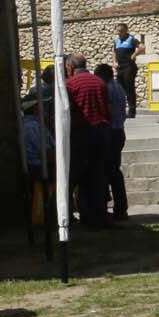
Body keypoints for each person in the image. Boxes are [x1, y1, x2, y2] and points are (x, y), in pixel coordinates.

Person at [64, 55, 112, 228]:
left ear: (70, 66)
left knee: (78, 177)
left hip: (82, 134)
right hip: (102, 132)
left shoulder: (70, 84)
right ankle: (99, 215)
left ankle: (81, 215)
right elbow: (107, 109)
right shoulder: (99, 82)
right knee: (98, 176)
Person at [94, 62, 129, 222]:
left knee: (108, 171)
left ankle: (114, 207)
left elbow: (107, 110)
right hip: (119, 131)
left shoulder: (106, 89)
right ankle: (120, 207)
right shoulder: (119, 88)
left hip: (111, 132)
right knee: (114, 170)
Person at [113, 23, 143, 119]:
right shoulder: (116, 40)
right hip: (120, 67)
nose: (119, 33)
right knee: (119, 89)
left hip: (129, 67)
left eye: (120, 31)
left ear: (126, 30)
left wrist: (134, 55)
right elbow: (114, 51)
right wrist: (114, 62)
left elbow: (142, 47)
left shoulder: (131, 39)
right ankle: (120, 110)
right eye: (117, 30)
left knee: (129, 89)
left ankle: (132, 111)